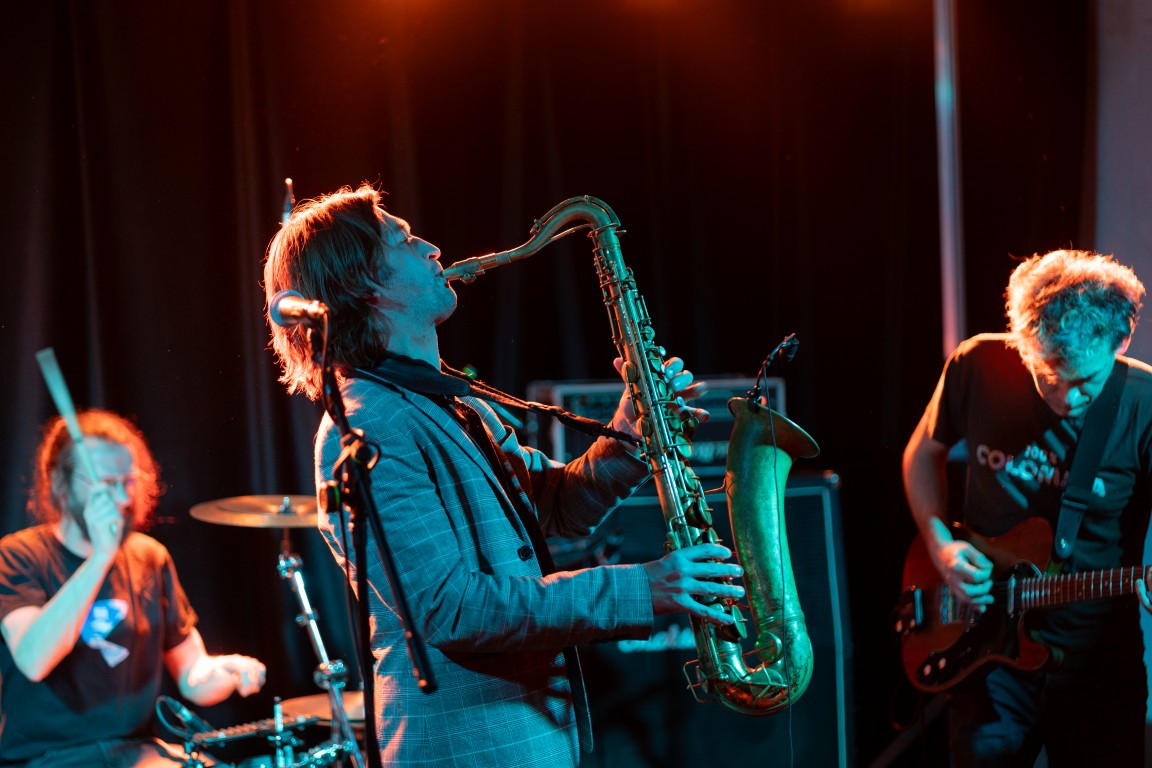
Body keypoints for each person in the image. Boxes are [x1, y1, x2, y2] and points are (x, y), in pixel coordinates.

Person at [263, 183, 744, 767]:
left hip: (528, 739)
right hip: (466, 752)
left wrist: (629, 435)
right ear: (365, 284)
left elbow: (554, 506)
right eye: (405, 241)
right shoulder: (368, 426)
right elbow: (453, 609)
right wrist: (643, 588)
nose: (433, 248)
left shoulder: (451, 403)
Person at [902, 249, 1152, 767]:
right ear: (1023, 343)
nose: (1066, 399)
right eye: (1049, 376)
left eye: (1085, 382)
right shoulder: (978, 363)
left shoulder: (1144, 403)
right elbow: (921, 455)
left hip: (1097, 661)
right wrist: (940, 546)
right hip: (985, 647)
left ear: (1122, 341)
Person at [0, 409, 268, 767]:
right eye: (104, 483)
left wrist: (230, 671)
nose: (122, 498)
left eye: (128, 481)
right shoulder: (18, 556)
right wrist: (101, 558)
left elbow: (192, 676)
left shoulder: (149, 556)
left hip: (134, 751)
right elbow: (34, 660)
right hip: (47, 757)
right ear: (60, 483)